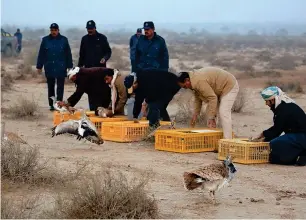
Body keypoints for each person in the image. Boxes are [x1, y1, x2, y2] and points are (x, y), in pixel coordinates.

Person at [177, 67, 239, 139]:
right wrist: (195, 114)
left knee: (223, 112)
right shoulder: (193, 82)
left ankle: (228, 141)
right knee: (209, 113)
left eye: (184, 86)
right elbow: (198, 99)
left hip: (229, 85)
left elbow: (212, 98)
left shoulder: (198, 81)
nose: (185, 88)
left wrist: (211, 117)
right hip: (218, 90)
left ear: (187, 80)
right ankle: (215, 140)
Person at [251, 86, 306, 166]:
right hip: (298, 136)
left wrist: (261, 140)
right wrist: (262, 135)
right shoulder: (284, 106)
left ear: (273, 100)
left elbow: (276, 131)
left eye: (267, 101)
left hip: (301, 136)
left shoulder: (284, 110)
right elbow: (277, 128)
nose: (266, 104)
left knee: (275, 144)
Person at [36, 23, 73, 111]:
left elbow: (68, 54)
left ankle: (59, 104)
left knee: (60, 87)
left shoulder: (64, 40)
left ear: (58, 30)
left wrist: (69, 66)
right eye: (52, 30)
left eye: (55, 30)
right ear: (50, 30)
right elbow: (41, 54)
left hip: (61, 66)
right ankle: (52, 105)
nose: (53, 32)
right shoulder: (45, 40)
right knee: (50, 86)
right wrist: (39, 66)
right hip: (49, 66)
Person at [78, 20, 112, 110]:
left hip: (101, 71)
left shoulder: (102, 38)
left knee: (102, 90)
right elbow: (81, 55)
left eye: (91, 29)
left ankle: (103, 108)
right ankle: (93, 110)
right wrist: (79, 69)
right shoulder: (84, 39)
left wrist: (104, 58)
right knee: (91, 91)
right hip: (88, 70)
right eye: (88, 29)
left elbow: (108, 51)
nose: (90, 30)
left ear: (95, 28)